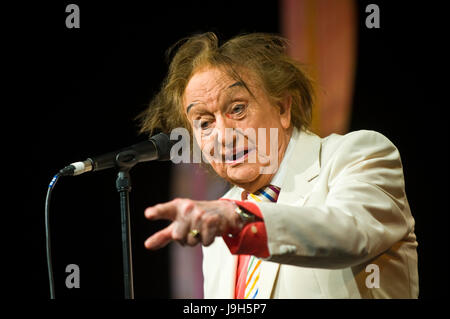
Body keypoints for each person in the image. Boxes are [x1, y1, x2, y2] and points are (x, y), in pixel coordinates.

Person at [137, 32, 418, 298]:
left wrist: (242, 218)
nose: (223, 136)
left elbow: (351, 234)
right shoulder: (222, 215)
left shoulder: (357, 155)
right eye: (205, 123)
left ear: (283, 108)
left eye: (237, 109)